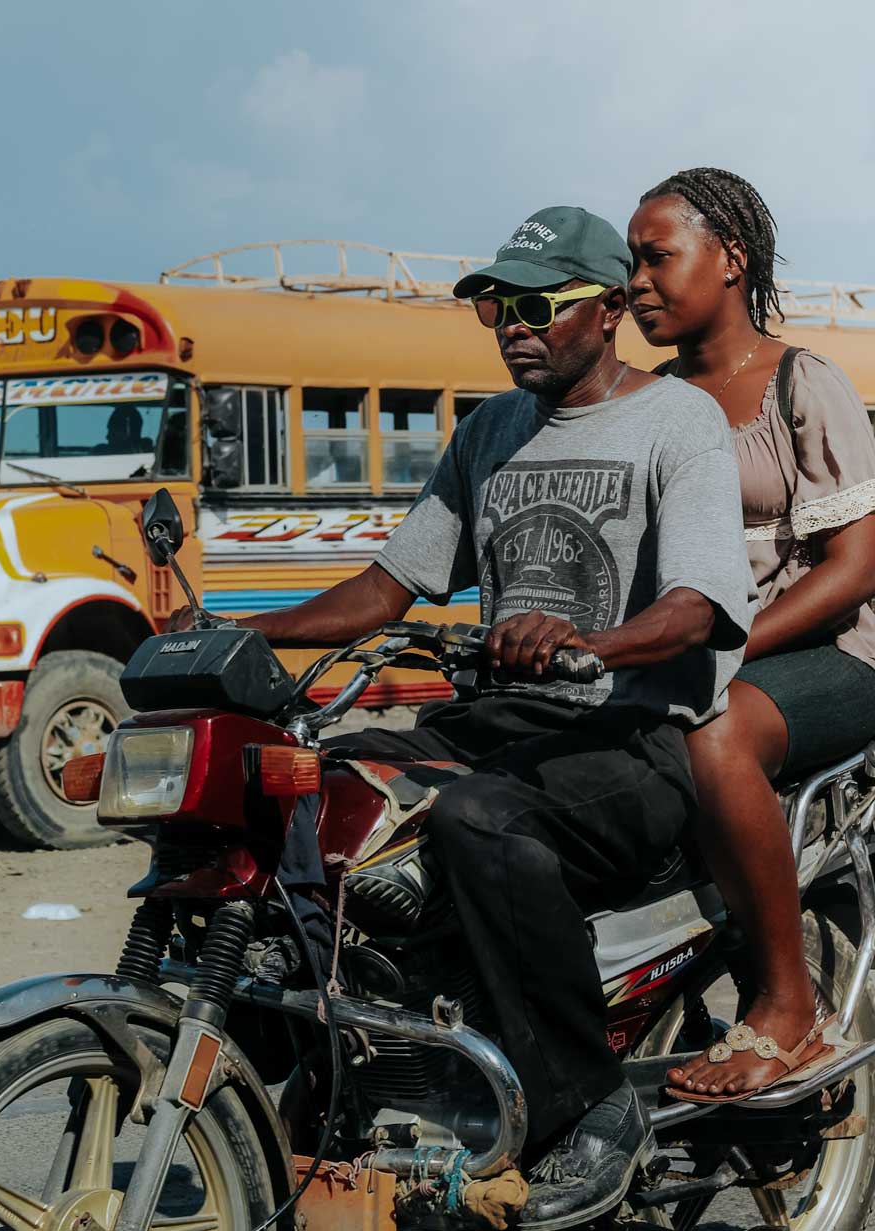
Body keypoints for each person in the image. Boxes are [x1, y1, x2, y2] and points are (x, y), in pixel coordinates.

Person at [171, 206, 753, 1228]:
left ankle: (591, 1108)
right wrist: (238, 633)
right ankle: (339, 1053)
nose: (512, 325)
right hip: (496, 723)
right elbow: (388, 588)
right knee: (314, 780)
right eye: (496, 305)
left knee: (478, 815)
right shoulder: (488, 430)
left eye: (536, 303)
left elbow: (698, 606)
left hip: (631, 739)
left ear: (609, 308)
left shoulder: (677, 422)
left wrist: (588, 643)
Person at [628, 168, 875, 1102]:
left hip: (830, 653)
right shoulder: (644, 400)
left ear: (730, 259)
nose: (636, 282)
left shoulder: (802, 383)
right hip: (693, 653)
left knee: (715, 725)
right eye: (629, 263)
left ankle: (787, 1004)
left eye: (657, 257)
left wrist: (732, 646)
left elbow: (854, 567)